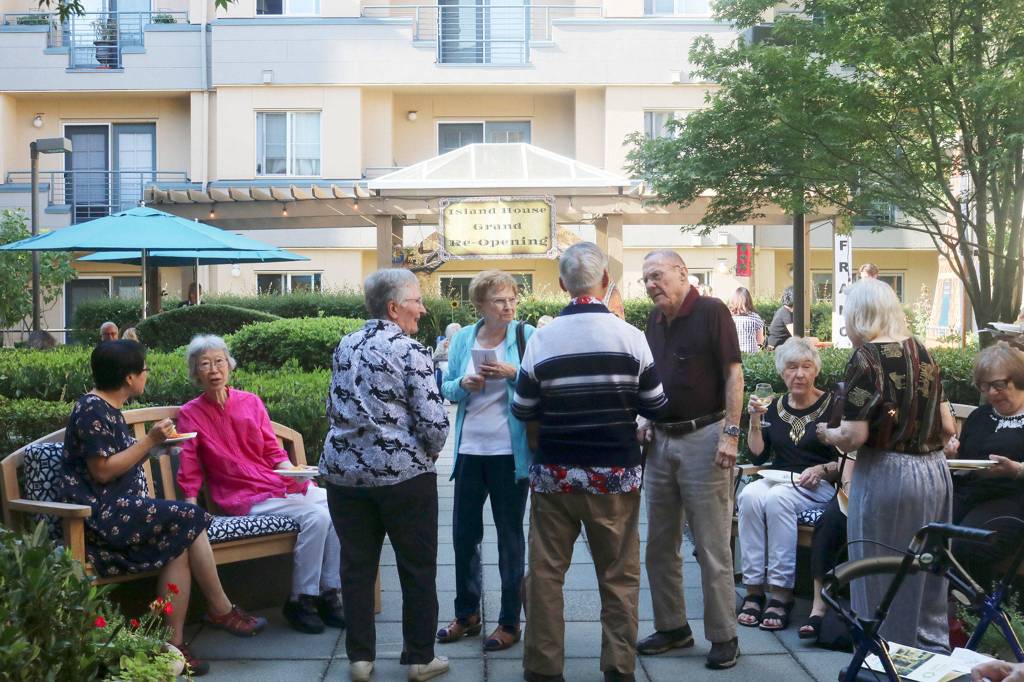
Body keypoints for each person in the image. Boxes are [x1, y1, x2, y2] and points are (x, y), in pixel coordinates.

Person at [59, 341, 267, 676]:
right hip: (98, 518)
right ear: (129, 377)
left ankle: (173, 644)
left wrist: (158, 445)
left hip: (122, 511)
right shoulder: (91, 409)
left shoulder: (107, 408)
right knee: (192, 517)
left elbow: (118, 463)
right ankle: (221, 608)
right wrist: (150, 441)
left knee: (179, 546)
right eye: (143, 369)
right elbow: (101, 471)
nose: (147, 374)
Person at [512, 242, 668, 682]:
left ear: (563, 284)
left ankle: (543, 669)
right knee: (618, 577)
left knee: (545, 575)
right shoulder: (630, 337)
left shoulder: (542, 339)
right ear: (605, 283)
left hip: (555, 476)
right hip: (615, 478)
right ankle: (618, 668)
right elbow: (656, 405)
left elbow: (523, 407)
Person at [320, 268, 450, 682]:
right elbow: (433, 423)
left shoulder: (345, 344)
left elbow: (332, 408)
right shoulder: (411, 350)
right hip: (402, 477)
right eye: (416, 301)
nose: (422, 309)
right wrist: (425, 452)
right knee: (417, 567)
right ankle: (419, 658)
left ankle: (360, 659)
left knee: (356, 567)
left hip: (343, 475)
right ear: (394, 308)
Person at [816, 278, 954, 652]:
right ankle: (927, 659)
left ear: (859, 314)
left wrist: (826, 434)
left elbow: (854, 436)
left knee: (878, 572)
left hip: (887, 475)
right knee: (926, 573)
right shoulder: (925, 353)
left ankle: (883, 659)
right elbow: (947, 427)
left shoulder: (866, 358)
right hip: (935, 474)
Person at [176, 334, 344, 635]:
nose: (214, 370)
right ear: (195, 372)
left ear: (229, 366)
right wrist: (190, 508)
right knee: (317, 517)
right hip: (240, 497)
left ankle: (328, 594)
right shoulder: (190, 414)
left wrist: (292, 473)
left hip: (273, 484)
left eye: (219, 362)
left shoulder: (250, 402)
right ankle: (301, 600)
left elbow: (271, 449)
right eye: (205, 364)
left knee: (340, 507)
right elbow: (188, 463)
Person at [636, 249, 744, 670]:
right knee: (659, 545)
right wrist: (645, 417)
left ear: (682, 273)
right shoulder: (655, 320)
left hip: (706, 437)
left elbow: (734, 374)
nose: (651, 285)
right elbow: (652, 376)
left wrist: (731, 434)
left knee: (711, 544)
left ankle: (724, 635)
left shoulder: (713, 311)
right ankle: (673, 627)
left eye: (657, 276)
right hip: (661, 441)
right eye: (646, 279)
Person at [437, 270, 535, 651]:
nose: (508, 305)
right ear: (480, 305)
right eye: (499, 300)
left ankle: (509, 621)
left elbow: (540, 383)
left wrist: (514, 374)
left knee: (510, 539)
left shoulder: (527, 336)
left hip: (510, 455)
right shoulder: (463, 338)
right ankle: (467, 614)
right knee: (464, 536)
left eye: (511, 298)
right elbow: (445, 387)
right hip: (469, 451)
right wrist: (463, 385)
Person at [737, 337, 838, 632]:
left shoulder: (832, 405)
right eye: (792, 367)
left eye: (806, 367)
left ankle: (781, 593)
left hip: (819, 485)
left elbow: (845, 460)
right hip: (778, 479)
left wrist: (821, 468)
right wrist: (754, 419)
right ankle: (754, 588)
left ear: (815, 371)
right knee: (750, 496)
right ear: (782, 372)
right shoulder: (775, 405)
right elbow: (758, 454)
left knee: (776, 499)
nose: (799, 374)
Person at [944, 342, 1024, 589]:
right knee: (926, 531)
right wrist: (952, 453)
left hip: (1012, 497)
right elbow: (963, 463)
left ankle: (975, 612)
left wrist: (1018, 470)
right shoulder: (980, 417)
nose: (991, 393)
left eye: (998, 385)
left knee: (968, 543)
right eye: (984, 386)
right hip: (969, 493)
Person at [728, 287, 765, 353]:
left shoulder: (728, 317)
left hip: (732, 354)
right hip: (751, 356)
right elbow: (760, 340)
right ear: (749, 300)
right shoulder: (755, 317)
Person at [433, 322, 461, 391]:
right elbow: (435, 356)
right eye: (454, 331)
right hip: (445, 363)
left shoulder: (461, 342)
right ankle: (447, 388)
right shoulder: (443, 342)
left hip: (458, 363)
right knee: (448, 369)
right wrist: (444, 349)